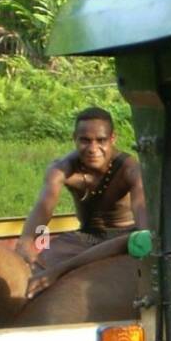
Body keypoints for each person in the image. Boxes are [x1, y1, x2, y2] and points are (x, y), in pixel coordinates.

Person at [16, 107, 147, 278]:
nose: (93, 148)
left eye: (101, 140)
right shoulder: (62, 169)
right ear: (75, 139)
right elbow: (44, 208)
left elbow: (143, 212)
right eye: (85, 140)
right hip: (86, 236)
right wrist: (27, 241)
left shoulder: (129, 169)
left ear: (112, 139)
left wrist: (145, 241)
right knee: (43, 263)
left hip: (123, 236)